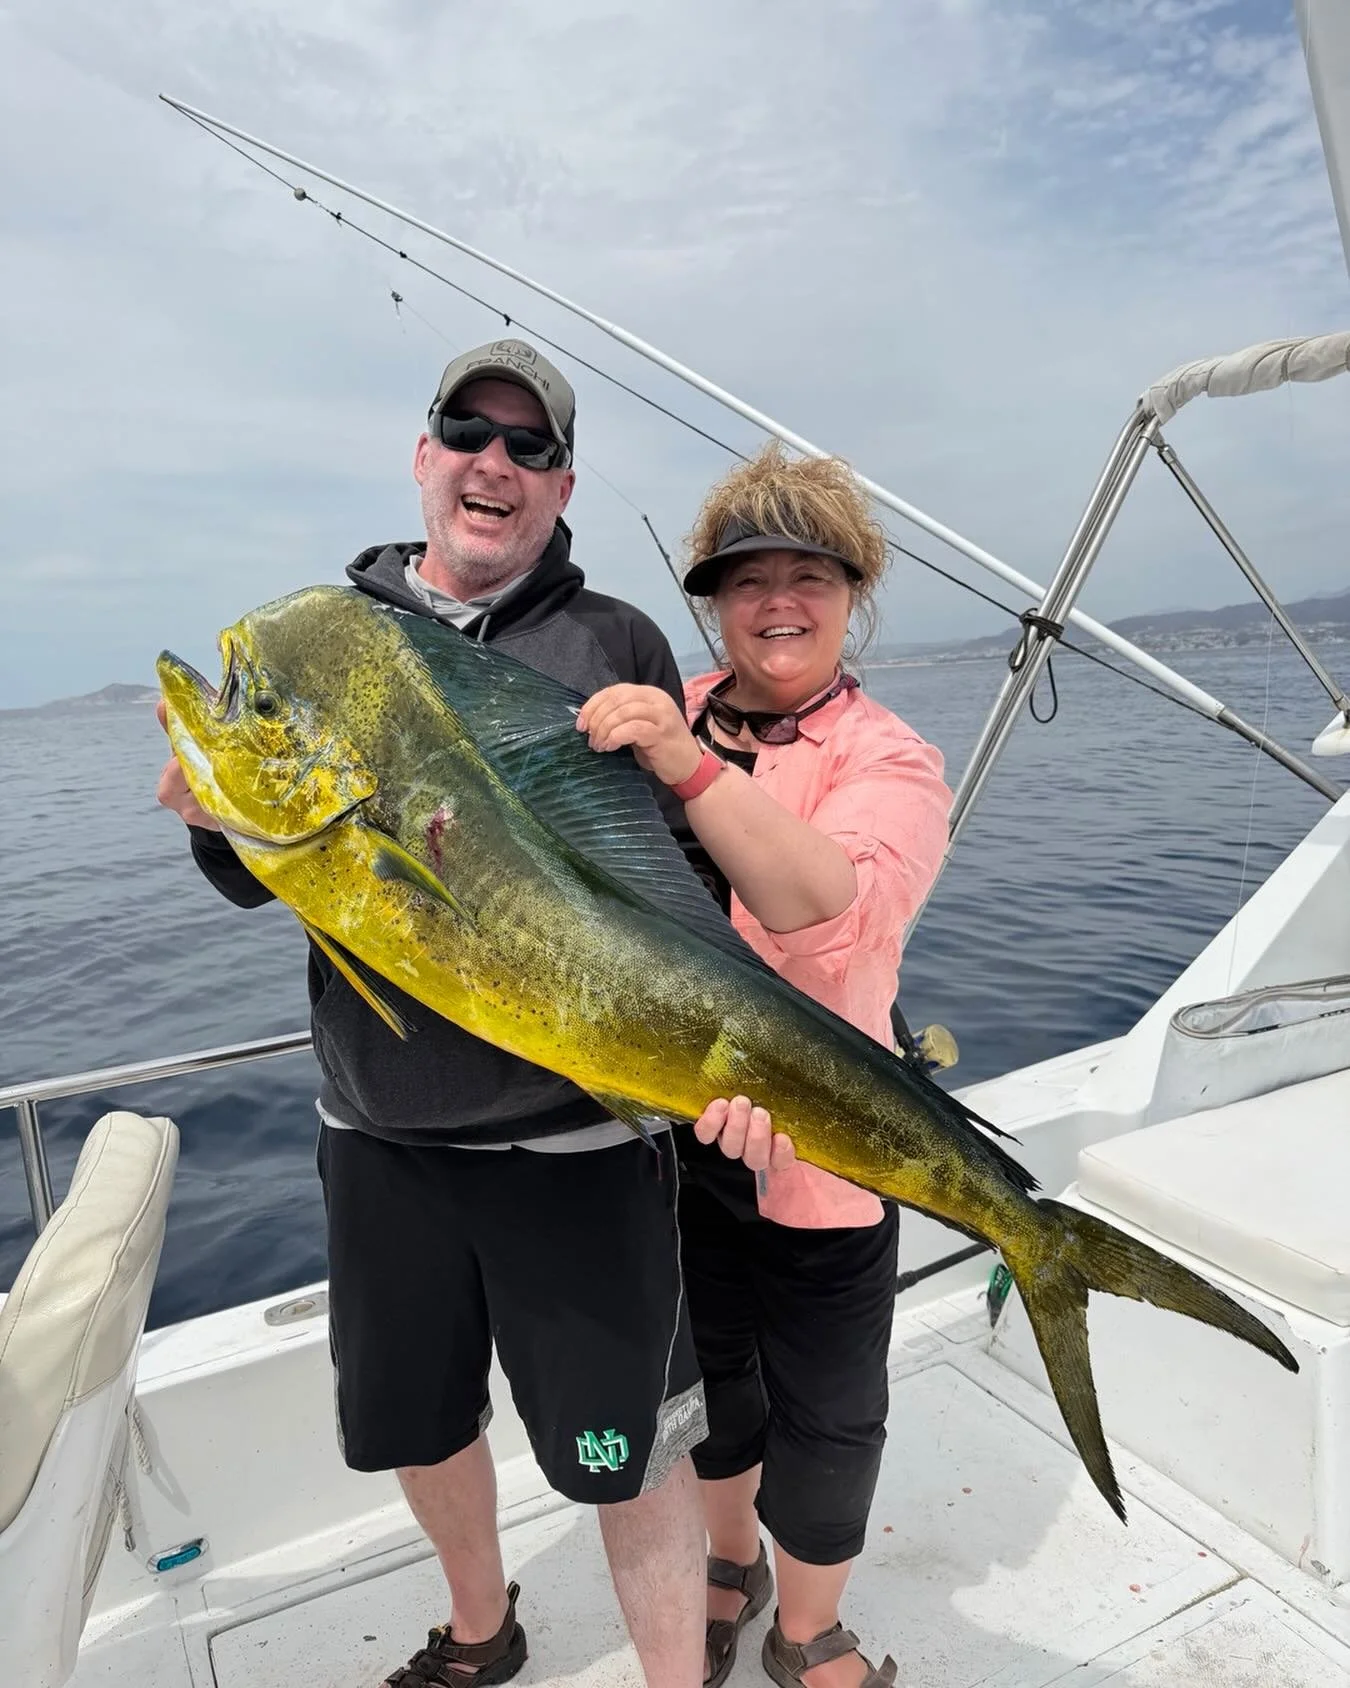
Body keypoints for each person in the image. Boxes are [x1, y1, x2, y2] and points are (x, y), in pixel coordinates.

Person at [155, 340, 719, 1688]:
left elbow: (668, 887)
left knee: (621, 1450)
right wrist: (215, 822)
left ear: (562, 484)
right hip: (381, 1140)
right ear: (424, 458)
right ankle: (484, 1632)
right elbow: (256, 873)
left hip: (576, 1147)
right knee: (421, 1423)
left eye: (529, 448)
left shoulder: (613, 641)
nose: (495, 463)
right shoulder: (324, 637)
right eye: (470, 431)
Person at [576, 442, 952, 1688]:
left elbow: (818, 908)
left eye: (809, 575)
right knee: (715, 1389)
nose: (777, 602)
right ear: (713, 602)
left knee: (830, 1410)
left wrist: (687, 766)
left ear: (855, 593)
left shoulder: (889, 760)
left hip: (826, 1154)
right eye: (747, 581)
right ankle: (729, 1564)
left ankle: (810, 1627)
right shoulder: (652, 704)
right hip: (671, 1139)